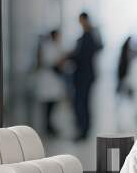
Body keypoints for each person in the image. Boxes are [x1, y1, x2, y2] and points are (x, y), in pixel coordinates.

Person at [68, 12, 103, 141]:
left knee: (82, 103)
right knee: (82, 103)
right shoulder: (88, 35)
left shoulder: (90, 35)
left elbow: (83, 55)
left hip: (84, 75)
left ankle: (83, 129)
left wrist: (69, 56)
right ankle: (83, 128)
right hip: (84, 75)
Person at [35, 30, 66, 137]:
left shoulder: (54, 46)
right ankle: (48, 128)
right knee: (48, 106)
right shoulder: (48, 47)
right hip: (48, 79)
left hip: (52, 80)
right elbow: (51, 62)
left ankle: (50, 127)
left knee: (52, 105)